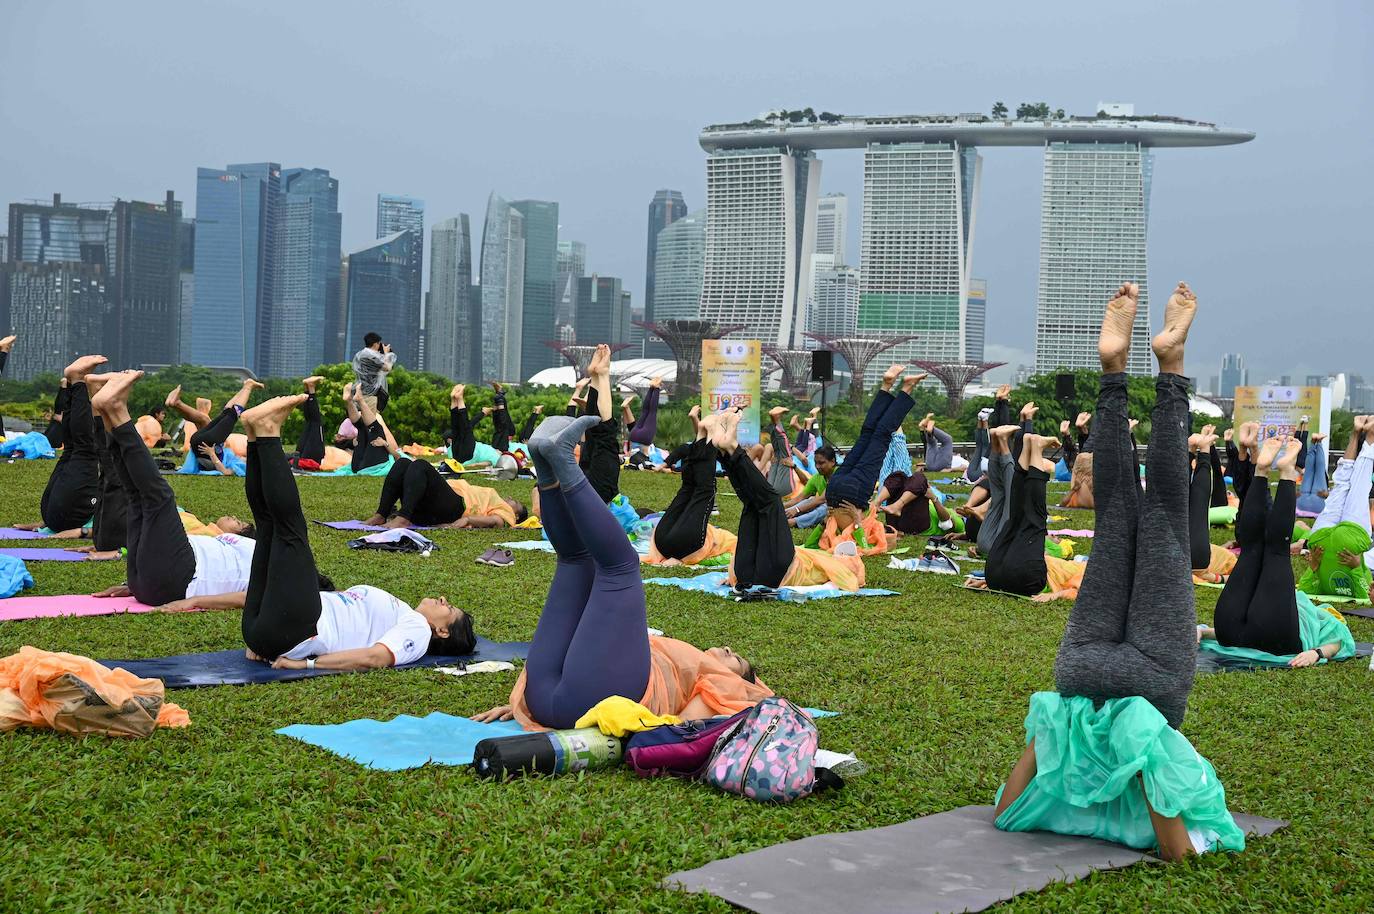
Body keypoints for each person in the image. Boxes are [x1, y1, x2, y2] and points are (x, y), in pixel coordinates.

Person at [994, 281, 1245, 861]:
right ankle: (1113, 374)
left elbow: (1178, 851)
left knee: (1163, 514)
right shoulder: (1061, 727)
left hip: (1152, 682)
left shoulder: (1141, 734)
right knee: (1115, 518)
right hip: (1078, 671)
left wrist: (1156, 792)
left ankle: (1169, 366)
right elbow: (1007, 811)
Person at [472, 377, 774, 730]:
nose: (727, 650)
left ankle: (561, 463)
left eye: (736, 659)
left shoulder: (728, 687)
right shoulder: (689, 661)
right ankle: (545, 465)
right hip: (549, 695)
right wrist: (519, 707)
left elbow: (680, 729)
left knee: (621, 567)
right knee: (575, 561)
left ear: (743, 679)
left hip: (594, 701)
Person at [226, 392, 476, 669]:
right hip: (272, 628)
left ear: (442, 631)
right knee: (270, 526)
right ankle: (254, 434)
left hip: (295, 629)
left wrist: (306, 665)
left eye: (448, 608)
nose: (443, 600)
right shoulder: (403, 614)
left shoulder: (417, 632)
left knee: (289, 529)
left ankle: (267, 432)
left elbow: (375, 658)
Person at [85, 370, 258, 610]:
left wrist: (194, 601)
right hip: (148, 579)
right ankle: (107, 411)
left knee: (160, 497)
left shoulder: (275, 570)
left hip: (178, 579)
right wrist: (133, 585)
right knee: (134, 495)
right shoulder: (243, 547)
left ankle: (116, 409)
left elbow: (248, 598)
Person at [1206, 433, 1355, 665]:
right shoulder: (1321, 614)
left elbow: (1341, 640)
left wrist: (1205, 632)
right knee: (1257, 549)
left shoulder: (1314, 610)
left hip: (1237, 633)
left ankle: (1275, 471)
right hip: (1255, 635)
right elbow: (1342, 641)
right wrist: (1317, 653)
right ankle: (1267, 471)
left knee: (1263, 550)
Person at [824, 367, 926, 526]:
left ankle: (907, 387)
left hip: (854, 492)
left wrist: (858, 521)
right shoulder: (826, 530)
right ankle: (886, 386)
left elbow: (862, 545)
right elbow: (815, 537)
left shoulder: (840, 540)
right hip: (833, 489)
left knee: (882, 436)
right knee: (867, 434)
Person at [1296, 417, 1373, 601]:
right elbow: (1364, 596)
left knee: (1349, 486)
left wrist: (1314, 567)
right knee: (1353, 487)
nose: (1371, 588)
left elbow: (1302, 592)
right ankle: (1366, 435)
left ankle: (1360, 434)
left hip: (1323, 539)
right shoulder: (1365, 581)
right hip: (1342, 540)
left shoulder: (1325, 584)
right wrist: (1355, 567)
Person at [647, 422, 735, 566]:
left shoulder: (688, 448)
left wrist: (665, 463)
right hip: (684, 548)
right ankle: (704, 433)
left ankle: (702, 433)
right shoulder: (727, 539)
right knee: (702, 491)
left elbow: (682, 451)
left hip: (660, 542)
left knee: (688, 490)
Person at [983, 432, 1059, 596]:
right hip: (1009, 576)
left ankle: (1029, 447)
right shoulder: (1085, 569)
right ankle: (1034, 448)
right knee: (1025, 518)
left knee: (1019, 517)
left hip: (998, 575)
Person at [363, 456, 527, 530]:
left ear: (516, 515)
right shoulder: (498, 499)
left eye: (516, 502)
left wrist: (468, 519)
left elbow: (496, 521)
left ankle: (403, 518)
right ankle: (381, 514)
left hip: (454, 509)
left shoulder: (506, 511)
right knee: (403, 463)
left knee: (421, 465)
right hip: (431, 507)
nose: (511, 498)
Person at [38, 356, 106, 533]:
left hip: (65, 516)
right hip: (58, 515)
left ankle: (75, 381)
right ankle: (73, 382)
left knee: (82, 449)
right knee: (75, 448)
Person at [165, 378, 263, 472]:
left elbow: (225, 472)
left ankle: (248, 386)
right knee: (226, 413)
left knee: (233, 414)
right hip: (199, 443)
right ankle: (176, 403)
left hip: (207, 445)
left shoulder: (241, 465)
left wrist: (212, 454)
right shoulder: (238, 459)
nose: (243, 458)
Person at [784, 445, 838, 528]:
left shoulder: (839, 474)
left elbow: (821, 499)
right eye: (815, 463)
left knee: (825, 507)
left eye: (821, 463)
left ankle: (794, 522)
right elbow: (798, 499)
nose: (817, 466)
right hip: (825, 505)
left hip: (840, 510)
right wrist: (779, 507)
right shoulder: (817, 477)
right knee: (810, 500)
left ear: (832, 462)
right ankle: (782, 515)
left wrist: (797, 510)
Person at [352, 332, 396, 414]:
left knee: (361, 419)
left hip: (360, 390)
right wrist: (386, 353)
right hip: (370, 394)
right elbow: (387, 368)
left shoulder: (360, 354)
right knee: (370, 421)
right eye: (379, 343)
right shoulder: (371, 356)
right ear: (376, 344)